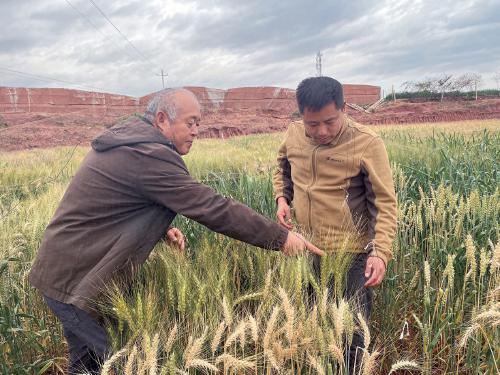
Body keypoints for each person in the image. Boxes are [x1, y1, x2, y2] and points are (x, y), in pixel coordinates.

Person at [29, 88, 323, 375]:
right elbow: (212, 207)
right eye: (190, 122)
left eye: (199, 123)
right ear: (161, 120)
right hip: (76, 282)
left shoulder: (132, 145)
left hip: (65, 273)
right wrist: (281, 238)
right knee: (122, 363)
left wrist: (160, 229)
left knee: (87, 366)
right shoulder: (147, 154)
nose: (196, 130)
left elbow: (111, 205)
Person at [273, 76, 397, 371]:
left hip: (353, 254)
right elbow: (282, 166)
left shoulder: (366, 142)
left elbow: (385, 202)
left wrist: (380, 252)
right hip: (305, 248)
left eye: (330, 121)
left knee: (352, 336)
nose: (322, 131)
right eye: (312, 124)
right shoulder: (293, 135)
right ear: (301, 115)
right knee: (314, 325)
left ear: (344, 108)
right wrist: (282, 197)